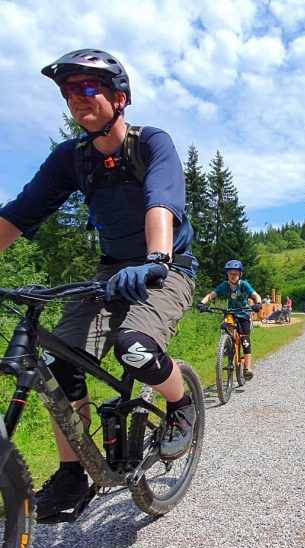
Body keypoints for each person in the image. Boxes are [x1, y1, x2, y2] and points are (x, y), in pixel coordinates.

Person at [0, 49, 198, 519]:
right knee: (59, 365)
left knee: (134, 345)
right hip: (110, 272)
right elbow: (22, 213)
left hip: (167, 266)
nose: (77, 97)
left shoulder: (151, 143)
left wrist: (155, 259)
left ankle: (182, 403)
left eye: (89, 87)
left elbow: (161, 202)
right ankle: (72, 475)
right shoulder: (72, 159)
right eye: (70, 90)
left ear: (120, 98)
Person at [198, 260, 262, 379]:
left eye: (235, 273)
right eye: (230, 273)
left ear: (240, 274)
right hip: (231, 314)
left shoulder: (243, 285)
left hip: (243, 314)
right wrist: (202, 303)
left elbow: (255, 295)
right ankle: (226, 344)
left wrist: (258, 303)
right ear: (227, 274)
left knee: (245, 341)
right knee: (225, 325)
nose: (233, 276)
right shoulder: (225, 285)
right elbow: (212, 295)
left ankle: (247, 368)